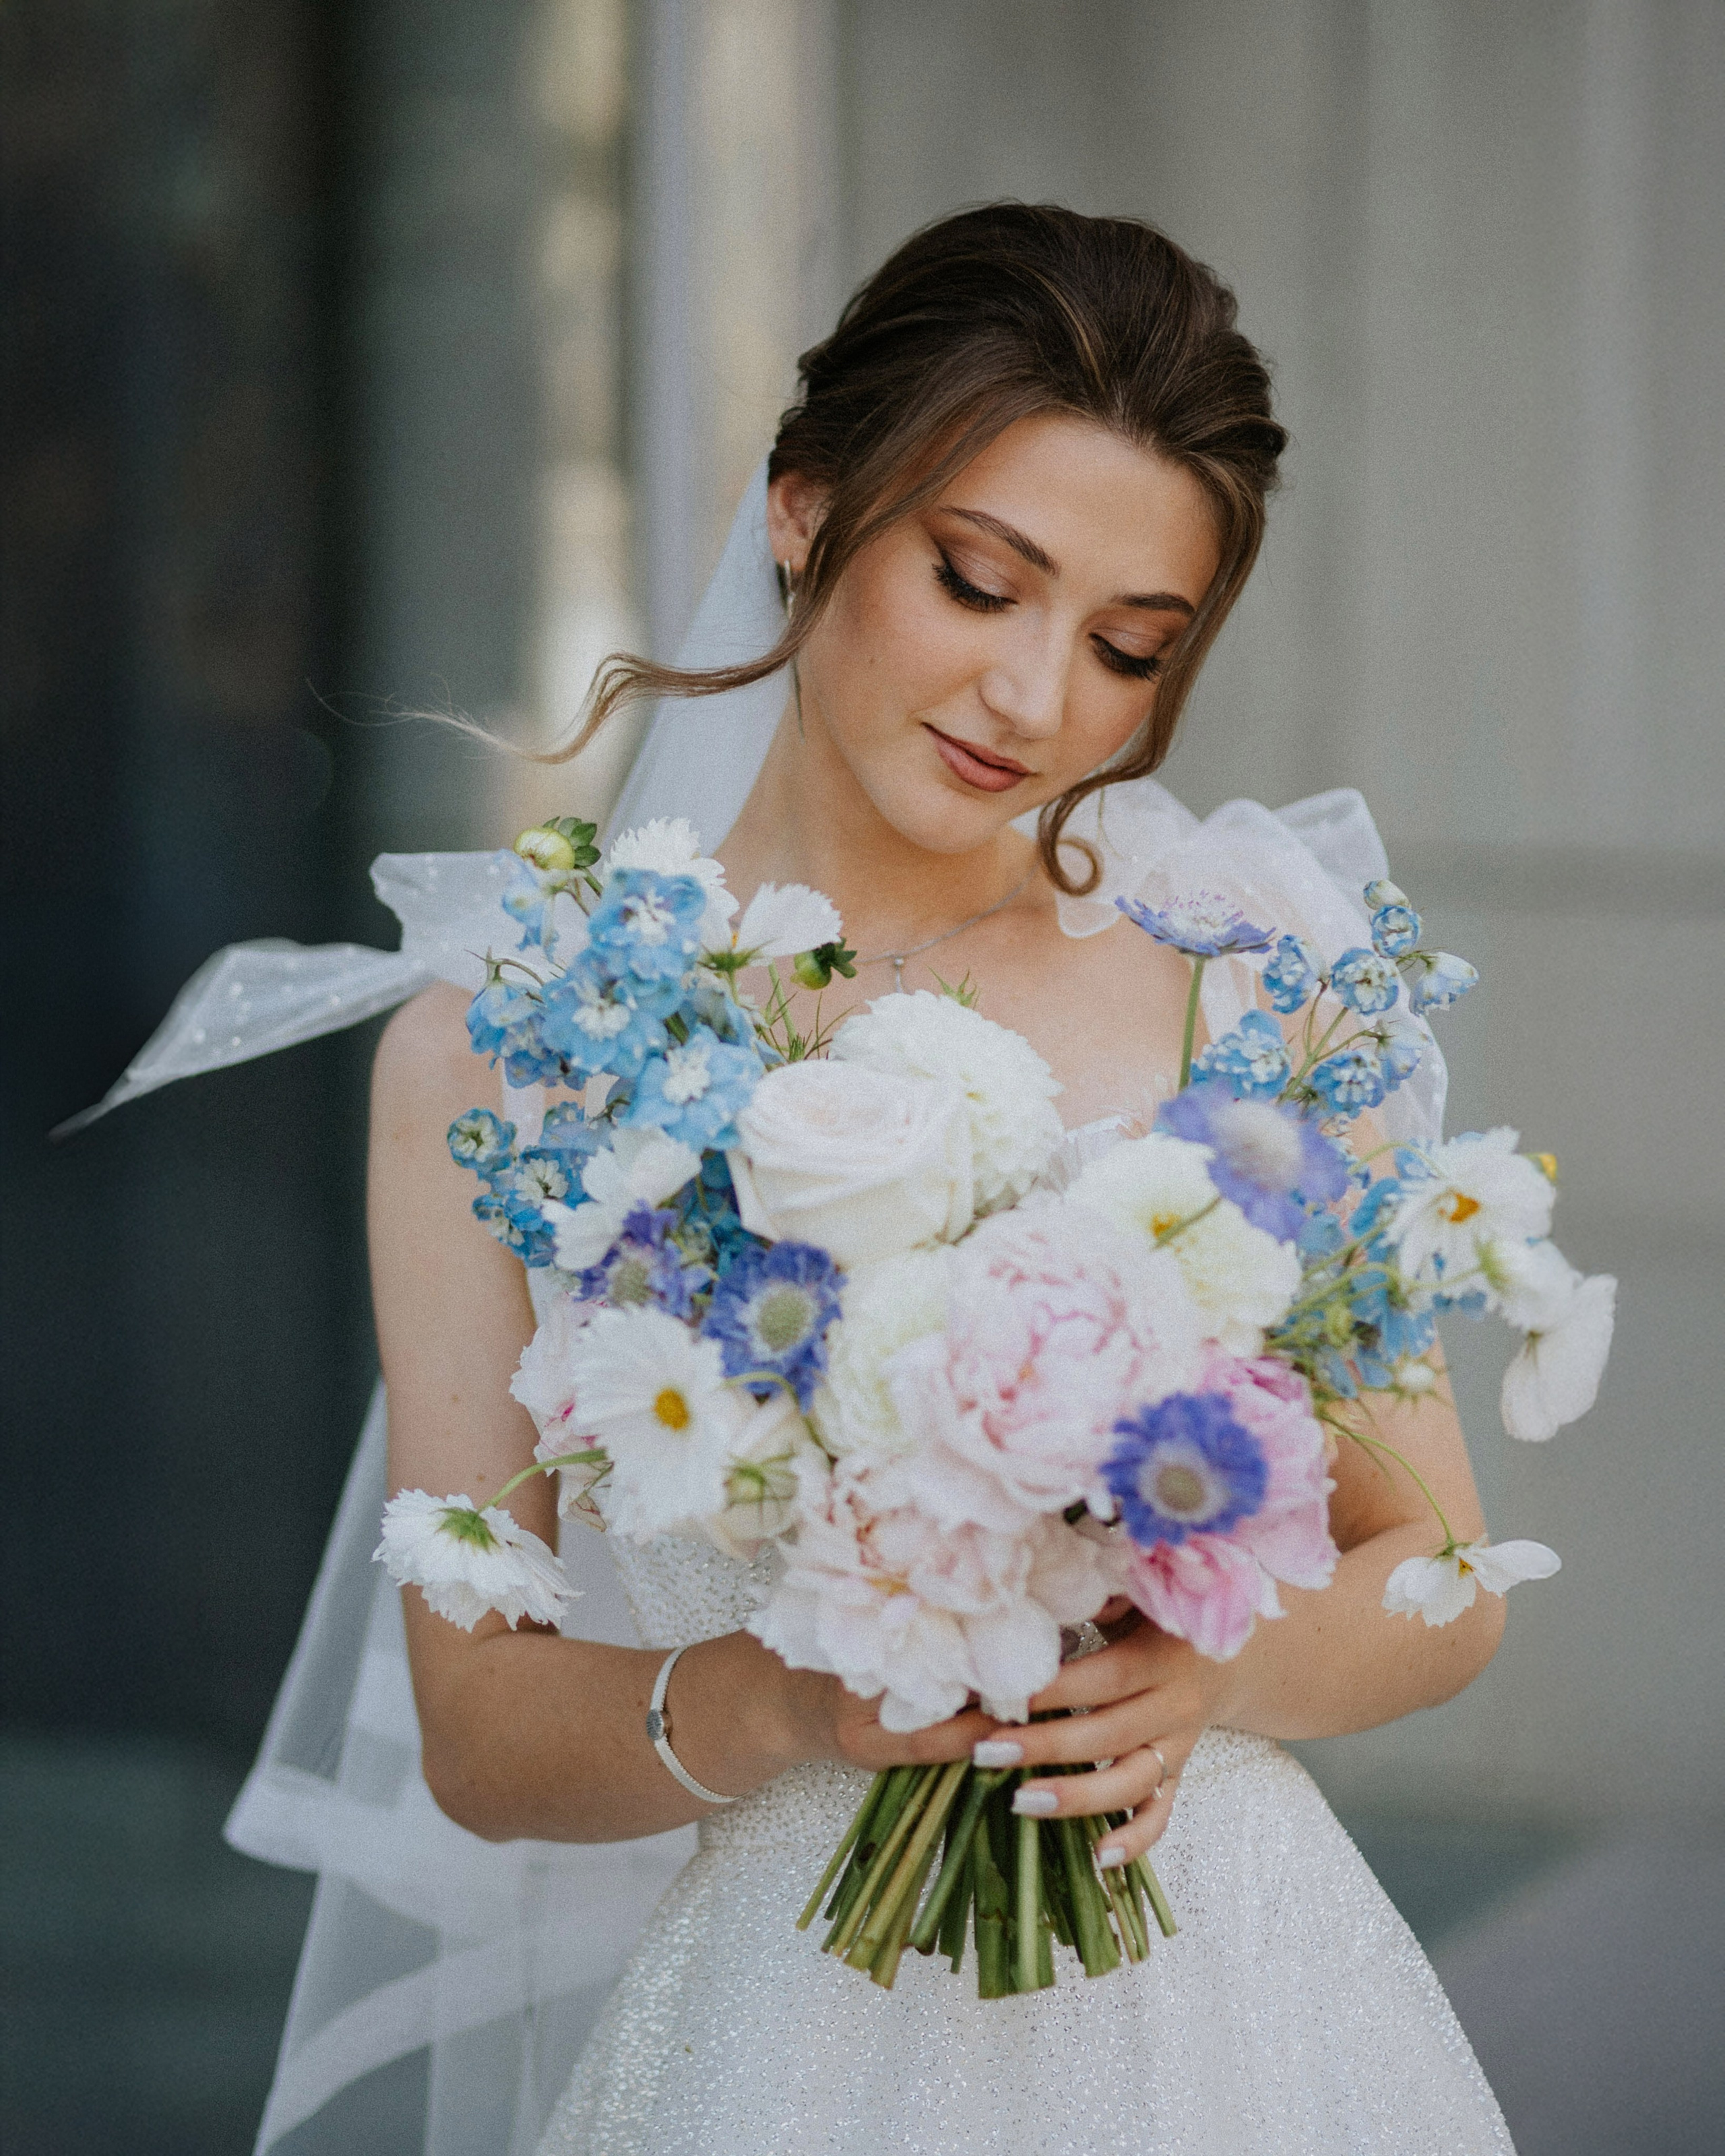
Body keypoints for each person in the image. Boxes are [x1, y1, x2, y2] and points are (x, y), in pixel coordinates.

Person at [92, 204, 1513, 2153]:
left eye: (1124, 647)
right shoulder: (506, 1060)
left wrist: (1207, 1668)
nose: (1038, 701)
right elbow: (482, 1735)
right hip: (783, 2027)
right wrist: (796, 1701)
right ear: (803, 504)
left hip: (1241, 2012)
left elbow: (1439, 1573)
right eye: (978, 581)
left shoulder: (1247, 1003)